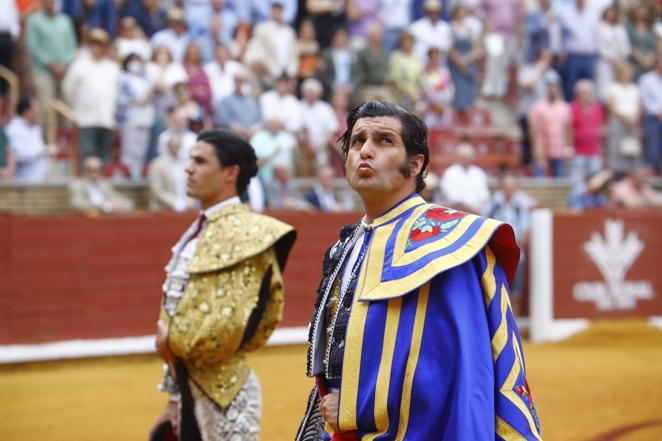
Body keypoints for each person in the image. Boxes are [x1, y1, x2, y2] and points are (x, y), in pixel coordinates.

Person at [295, 100, 541, 440]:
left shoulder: (449, 246)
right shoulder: (347, 246)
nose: (365, 151)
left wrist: (352, 405)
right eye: (357, 141)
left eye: (384, 140)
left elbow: (459, 375)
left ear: (415, 164)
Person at [151, 129, 296, 440]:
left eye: (200, 161)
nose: (188, 168)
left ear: (231, 173)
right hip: (190, 388)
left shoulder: (249, 234)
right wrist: (174, 398)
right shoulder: (197, 230)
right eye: (190, 159)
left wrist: (170, 343)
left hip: (225, 394)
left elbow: (228, 327)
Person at [62, 28, 120, 165]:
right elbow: (68, 89)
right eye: (93, 44)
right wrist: (75, 108)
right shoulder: (79, 65)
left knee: (105, 157)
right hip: (85, 118)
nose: (97, 48)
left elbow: (116, 92)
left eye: (100, 44)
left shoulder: (112, 67)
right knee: (87, 155)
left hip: (106, 118)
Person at [528, 70, 571, 177]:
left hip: (559, 150)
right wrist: (536, 150)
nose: (552, 89)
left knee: (560, 184)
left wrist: (568, 149)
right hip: (542, 150)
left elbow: (568, 130)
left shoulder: (564, 107)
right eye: (549, 86)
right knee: (540, 183)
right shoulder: (537, 107)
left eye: (554, 86)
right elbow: (533, 130)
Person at [5, 97, 55, 182]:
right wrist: (42, 152)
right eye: (34, 110)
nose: (37, 113)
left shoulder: (35, 128)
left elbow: (39, 149)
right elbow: (17, 155)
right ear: (26, 112)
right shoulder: (13, 128)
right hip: (23, 182)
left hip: (40, 181)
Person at [69, 156, 134, 214]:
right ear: (84, 170)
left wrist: (116, 206)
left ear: (100, 171)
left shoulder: (105, 185)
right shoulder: (77, 184)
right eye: (89, 170)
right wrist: (103, 206)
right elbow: (76, 203)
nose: (92, 173)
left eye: (95, 170)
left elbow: (127, 203)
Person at [439, 142, 490, 214]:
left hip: (477, 214)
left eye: (467, 156)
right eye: (463, 156)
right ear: (457, 156)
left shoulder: (478, 173)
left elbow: (484, 196)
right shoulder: (450, 173)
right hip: (455, 214)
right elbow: (452, 198)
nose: (465, 158)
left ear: (472, 157)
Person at [147, 135, 193, 212]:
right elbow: (157, 190)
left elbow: (191, 185)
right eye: (174, 146)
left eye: (178, 146)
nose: (176, 148)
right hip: (163, 209)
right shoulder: (157, 164)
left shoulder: (186, 163)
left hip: (186, 208)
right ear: (168, 147)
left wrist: (189, 202)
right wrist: (175, 202)